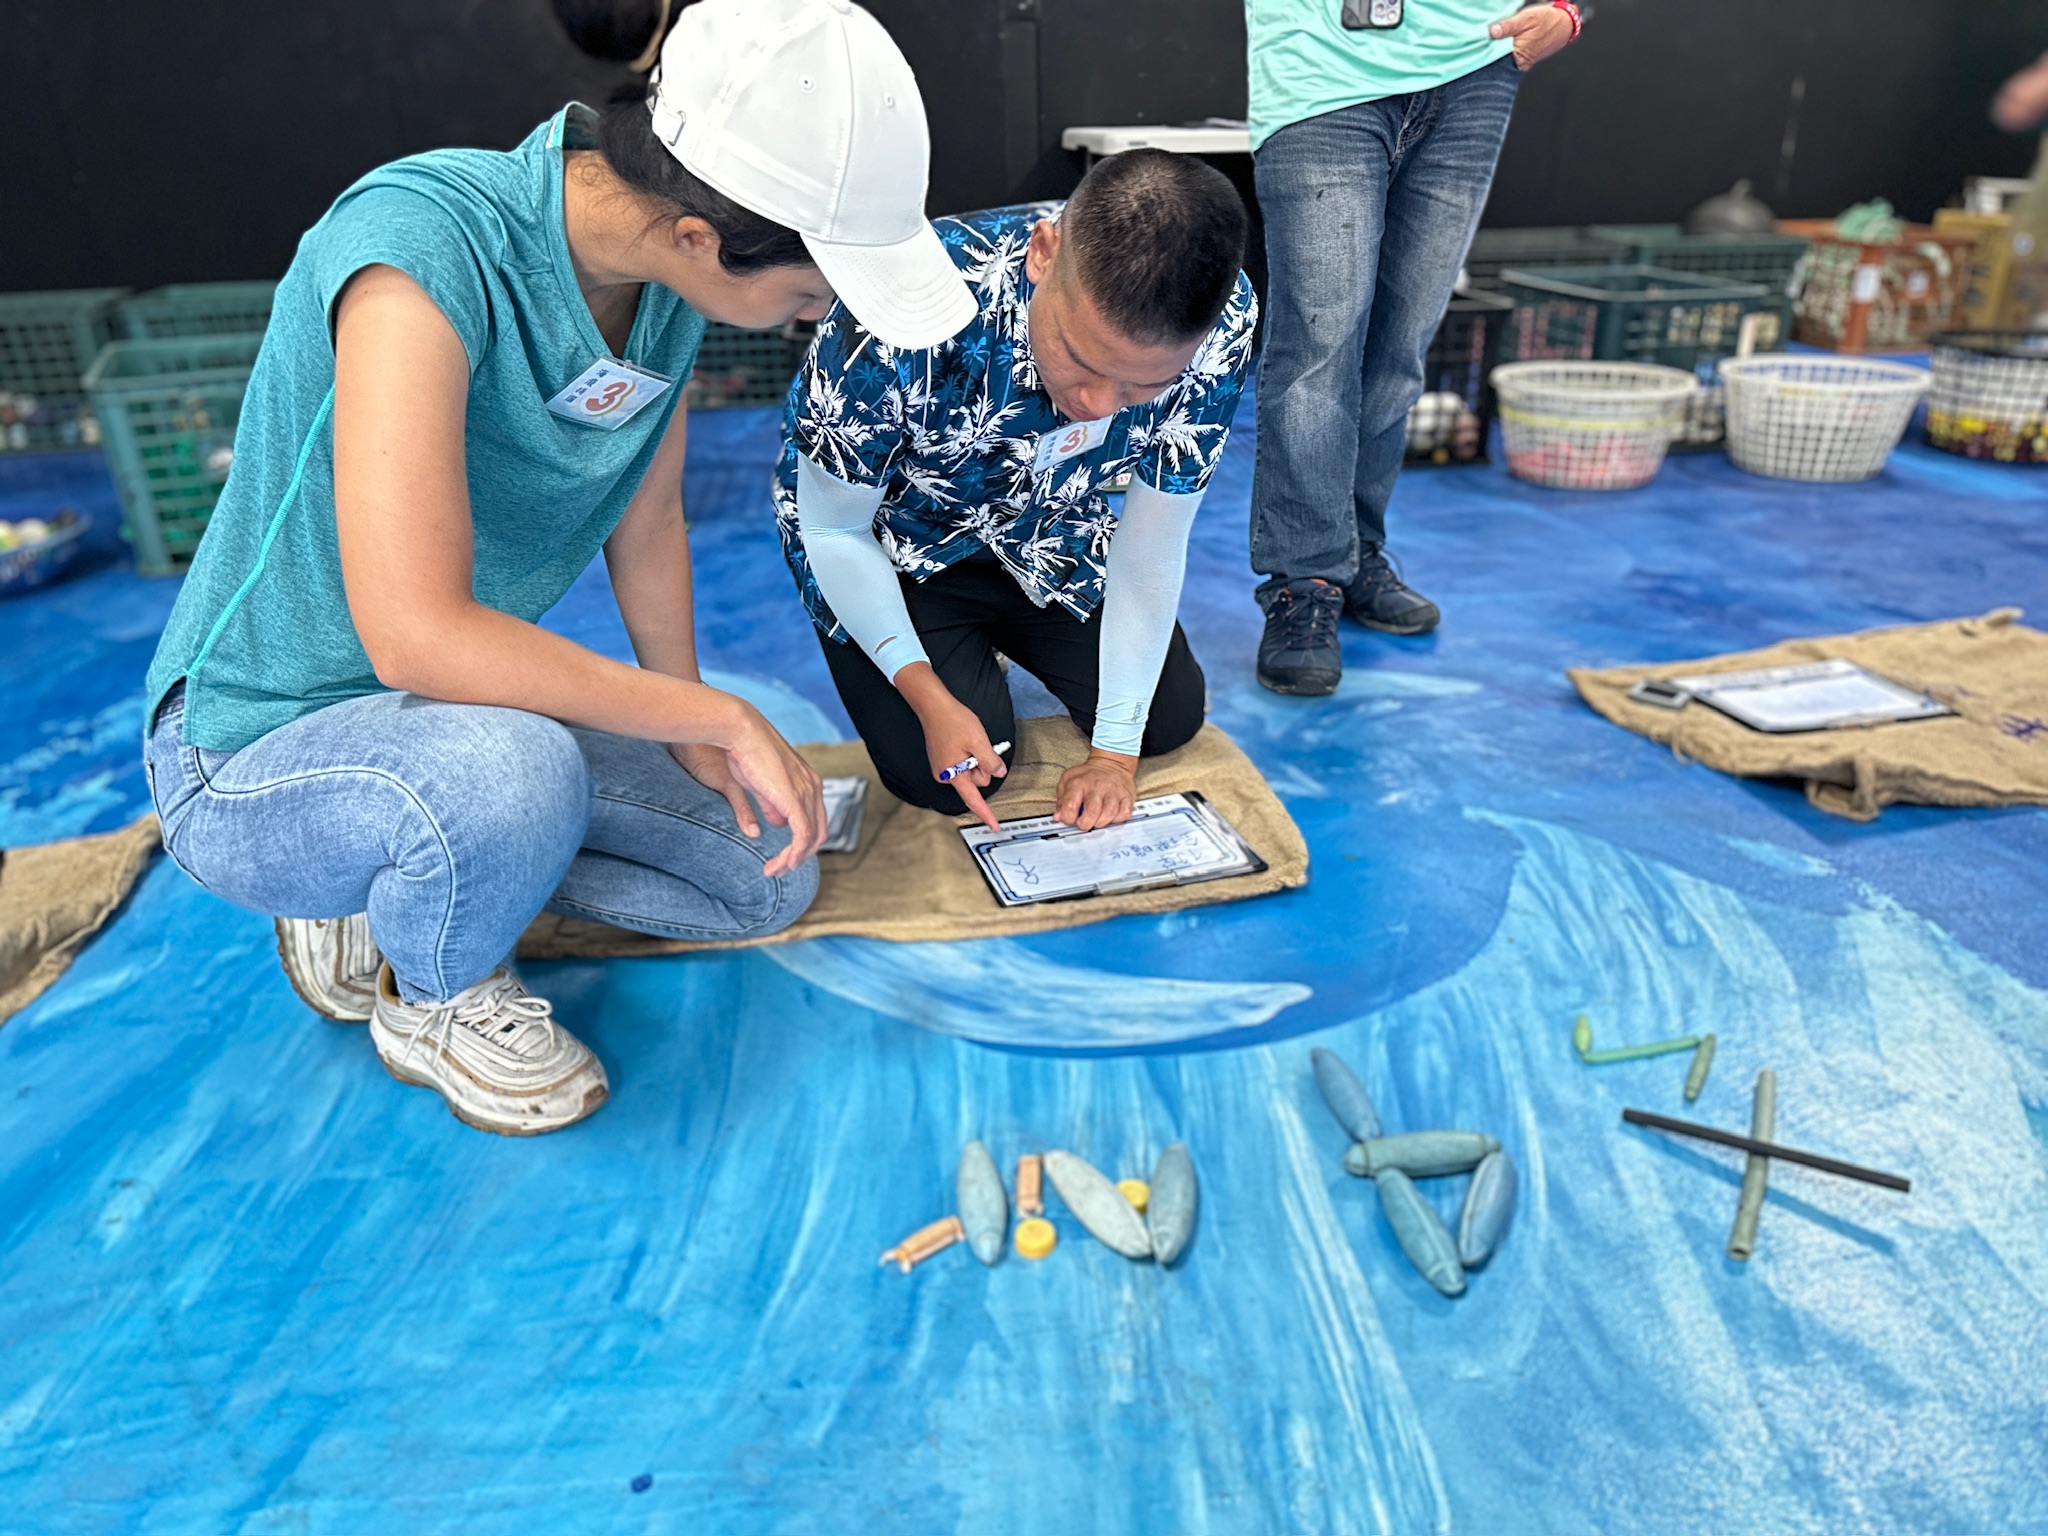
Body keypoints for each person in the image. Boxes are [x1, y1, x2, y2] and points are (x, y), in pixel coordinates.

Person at [140, 0, 975, 1136]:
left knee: (759, 878)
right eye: (810, 289)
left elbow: (649, 516)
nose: (817, 312)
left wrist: (688, 727)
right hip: (248, 748)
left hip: (442, 719)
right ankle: (430, 991)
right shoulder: (421, 245)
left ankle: (417, 871)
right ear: (700, 236)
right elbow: (415, 634)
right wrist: (716, 714)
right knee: (512, 772)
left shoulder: (665, 293)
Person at [770, 149, 1258, 832]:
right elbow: (832, 529)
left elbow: (1151, 549)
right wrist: (926, 693)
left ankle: (990, 651)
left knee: (1164, 719)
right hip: (896, 541)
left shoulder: (1222, 323)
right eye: (1080, 359)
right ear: (1043, 254)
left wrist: (1113, 758)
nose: (1097, 404)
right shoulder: (902, 305)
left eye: (1143, 386)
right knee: (945, 775)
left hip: (1050, 527)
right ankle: (943, 655)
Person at [1246, 0, 1580, 695]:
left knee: (1400, 350)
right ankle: (1305, 579)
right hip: (1324, 63)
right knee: (1318, 351)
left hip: (1476, 65)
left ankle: (1355, 551)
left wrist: (1569, 11)